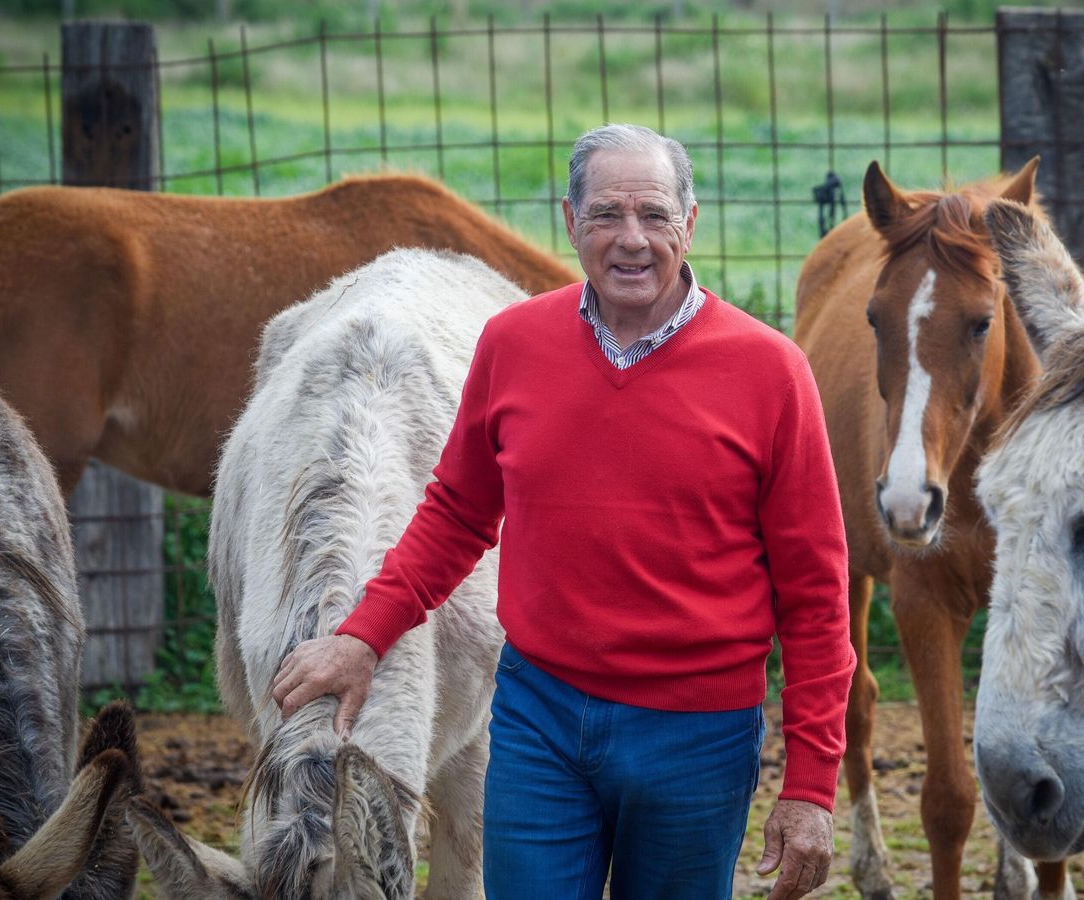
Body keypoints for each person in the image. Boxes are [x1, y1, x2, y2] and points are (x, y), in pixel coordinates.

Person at [272, 123, 854, 900]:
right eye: (608, 215)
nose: (633, 240)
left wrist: (811, 786)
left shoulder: (771, 373)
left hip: (696, 735)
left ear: (691, 222)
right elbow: (456, 513)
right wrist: (362, 638)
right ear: (570, 222)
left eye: (654, 214)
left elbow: (816, 595)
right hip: (540, 719)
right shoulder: (514, 343)